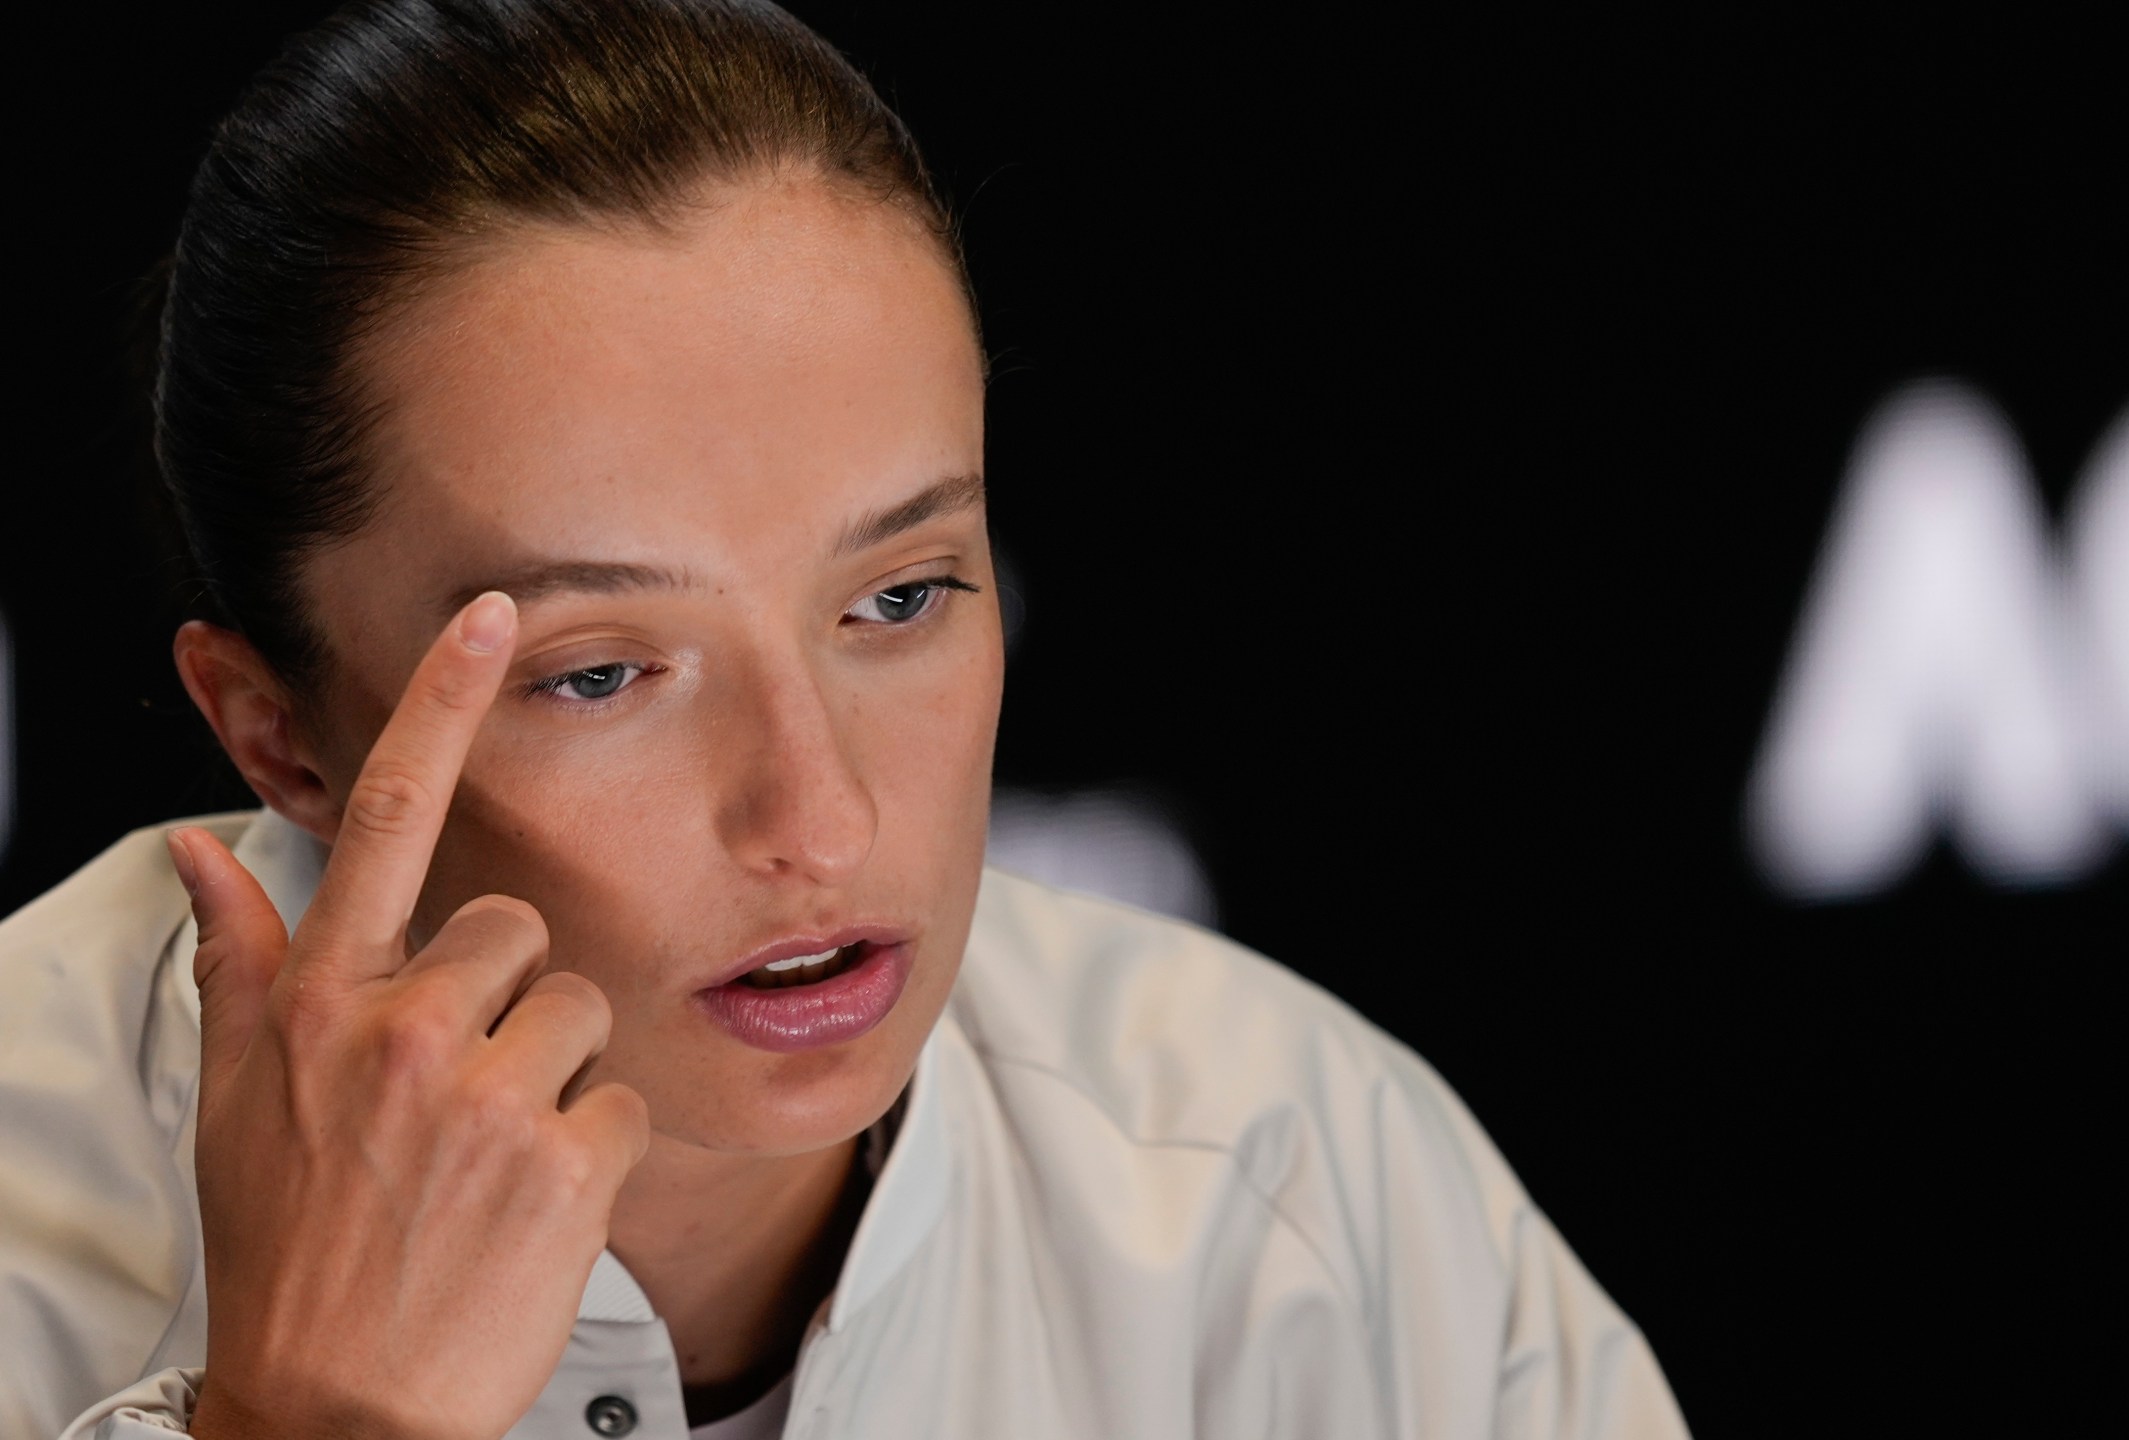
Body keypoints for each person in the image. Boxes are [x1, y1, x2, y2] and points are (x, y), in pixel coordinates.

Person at [0, 2, 1687, 1436]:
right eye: (600, 672)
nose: (821, 819)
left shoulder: (1300, 1188)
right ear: (281, 734)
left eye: (899, 599)